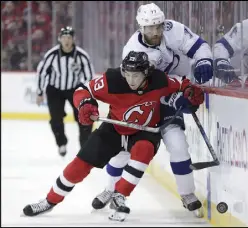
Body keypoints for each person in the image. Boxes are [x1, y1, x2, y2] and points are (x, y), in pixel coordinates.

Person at [22, 51, 204, 222]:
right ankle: (49, 201)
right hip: (114, 129)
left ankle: (120, 195)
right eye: (128, 74)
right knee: (79, 165)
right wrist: (85, 104)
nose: (131, 80)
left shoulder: (159, 80)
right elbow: (82, 90)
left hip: (145, 132)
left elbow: (182, 83)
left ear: (146, 73)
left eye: (136, 75)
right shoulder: (112, 80)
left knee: (144, 150)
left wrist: (190, 91)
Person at [92, 2, 213, 215]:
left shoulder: (172, 30)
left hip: (173, 90)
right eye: (150, 28)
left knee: (178, 145)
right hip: (145, 104)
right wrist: (175, 100)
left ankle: (187, 194)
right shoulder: (133, 51)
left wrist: (204, 61)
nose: (156, 32)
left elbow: (200, 46)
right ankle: (110, 189)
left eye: (158, 26)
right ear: (141, 28)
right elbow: (141, 90)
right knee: (122, 151)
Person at [36, 26, 95, 156]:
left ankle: (85, 146)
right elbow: (42, 73)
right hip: (54, 89)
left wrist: (88, 95)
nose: (66, 40)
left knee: (83, 117)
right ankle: (61, 143)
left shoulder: (82, 56)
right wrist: (40, 92)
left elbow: (89, 77)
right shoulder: (52, 55)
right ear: (59, 39)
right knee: (56, 119)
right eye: (64, 38)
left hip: (74, 89)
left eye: (69, 37)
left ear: (74, 39)